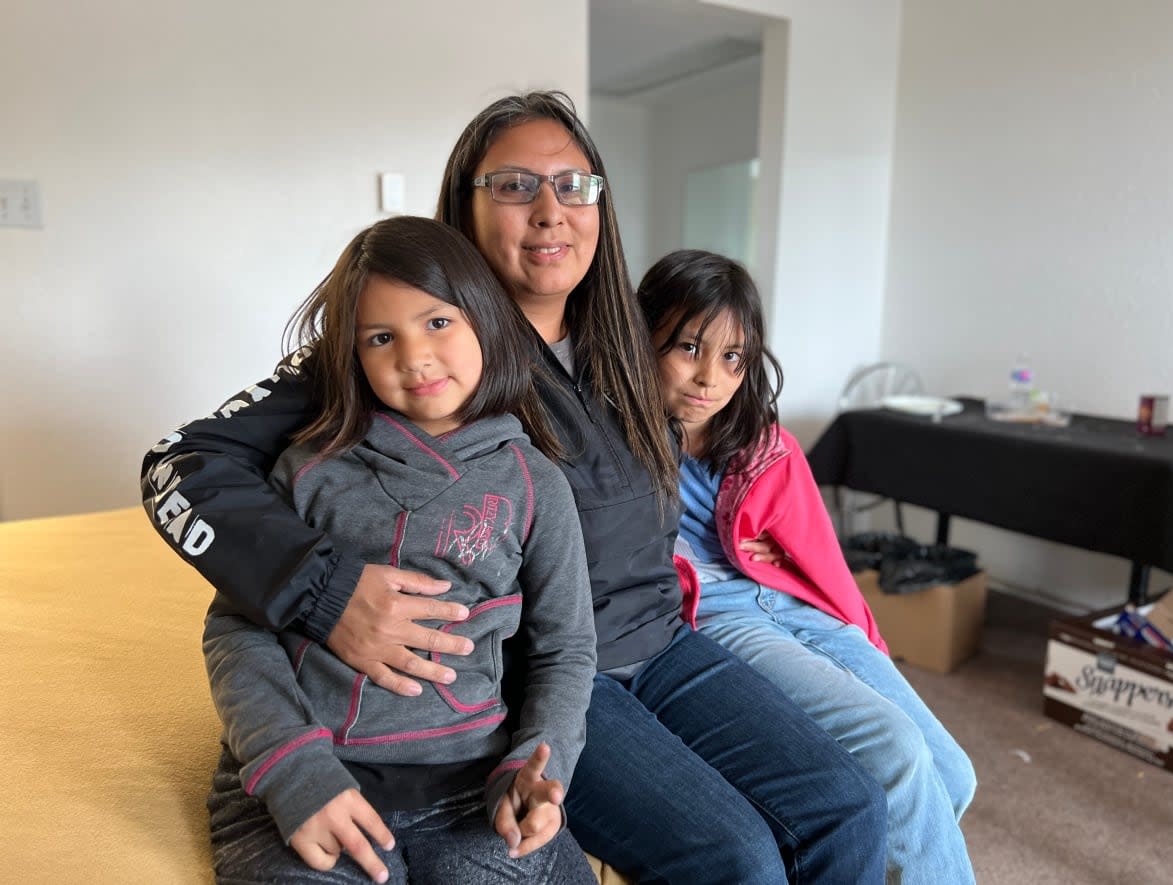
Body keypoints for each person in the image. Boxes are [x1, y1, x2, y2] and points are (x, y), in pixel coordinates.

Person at [143, 91, 887, 884]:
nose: (550, 211)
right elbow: (177, 467)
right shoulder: (416, 347)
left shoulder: (627, 340)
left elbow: (713, 399)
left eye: (575, 185)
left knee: (851, 806)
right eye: (513, 185)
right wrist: (323, 588)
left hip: (663, 642)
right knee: (737, 854)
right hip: (543, 672)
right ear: (462, 208)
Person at [203, 215, 599, 884]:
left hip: (473, 786)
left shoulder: (536, 484)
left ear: (485, 319)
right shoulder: (309, 469)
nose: (413, 358)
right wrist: (294, 770)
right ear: (352, 355)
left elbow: (566, 647)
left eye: (438, 322)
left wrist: (539, 762)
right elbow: (236, 627)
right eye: (381, 338)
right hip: (312, 773)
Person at [637, 248, 977, 885]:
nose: (710, 377)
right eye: (688, 347)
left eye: (732, 357)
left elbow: (825, 566)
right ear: (641, 337)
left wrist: (866, 643)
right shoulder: (617, 439)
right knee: (894, 751)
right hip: (716, 613)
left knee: (956, 773)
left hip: (790, 601)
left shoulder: (765, 445)